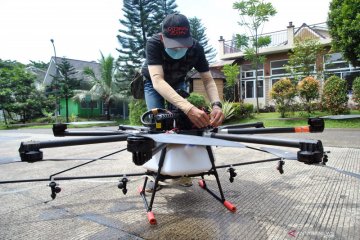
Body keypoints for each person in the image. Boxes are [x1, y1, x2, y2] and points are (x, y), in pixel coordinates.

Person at [141, 13, 225, 190]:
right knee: (158, 125)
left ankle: (181, 170)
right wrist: (188, 107)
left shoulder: (196, 48)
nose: (178, 48)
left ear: (189, 38)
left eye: (182, 44)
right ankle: (155, 173)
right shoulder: (154, 43)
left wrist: (216, 105)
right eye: (173, 44)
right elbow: (158, 80)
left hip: (178, 81)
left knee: (181, 125)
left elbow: (208, 80)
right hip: (154, 82)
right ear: (163, 37)